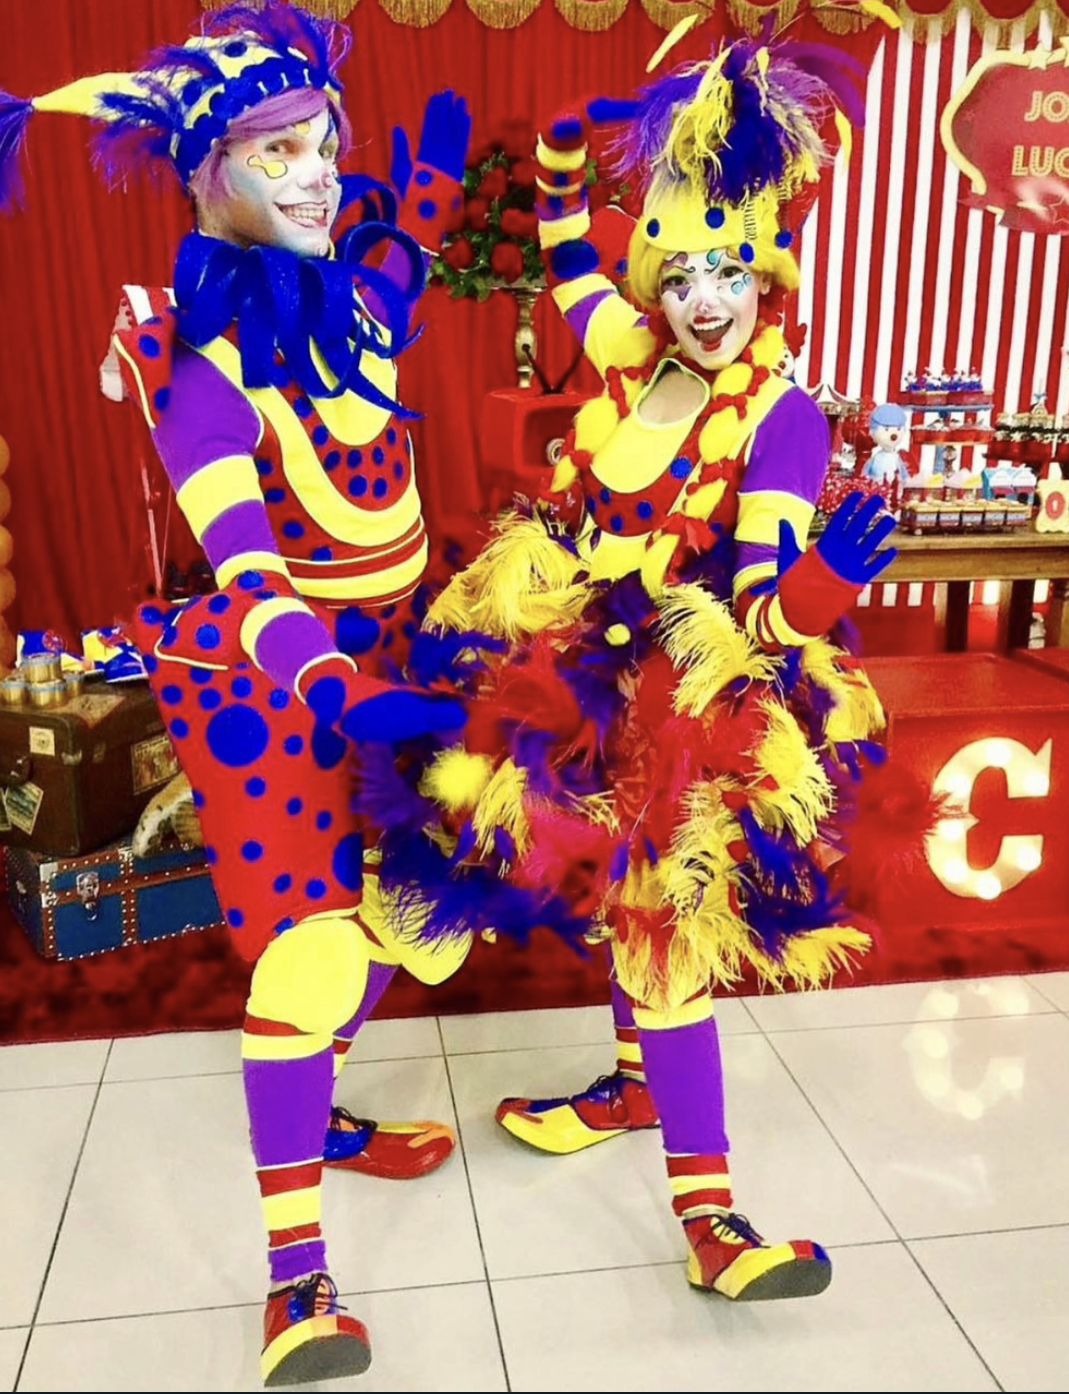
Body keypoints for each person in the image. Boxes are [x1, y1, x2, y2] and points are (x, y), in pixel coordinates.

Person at [0, 3, 477, 1382]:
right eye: (276, 151)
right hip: (275, 689)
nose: (315, 174)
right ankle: (297, 1280)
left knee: (423, 915)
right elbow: (248, 570)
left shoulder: (354, 305)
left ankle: (324, 1102)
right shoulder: (196, 372)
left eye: (324, 142)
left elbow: (399, 270)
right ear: (205, 173)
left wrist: (427, 195)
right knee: (308, 957)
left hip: (399, 659)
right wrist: (333, 685)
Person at [363, 31, 912, 1304]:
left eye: (731, 272)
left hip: (678, 699)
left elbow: (763, 608)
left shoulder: (780, 419)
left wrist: (824, 583)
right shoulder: (632, 352)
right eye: (684, 276)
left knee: (661, 926)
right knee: (465, 856)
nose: (706, 300)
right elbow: (565, 239)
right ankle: (603, 1086)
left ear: (768, 279)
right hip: (557, 662)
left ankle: (710, 1218)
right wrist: (573, 140)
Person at [862, 402, 911, 486]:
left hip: (894, 486)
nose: (894, 435)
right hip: (877, 487)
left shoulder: (896, 457)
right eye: (886, 429)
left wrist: (905, 479)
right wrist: (865, 480)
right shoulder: (876, 457)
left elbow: (903, 471)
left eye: (898, 429)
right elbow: (866, 472)